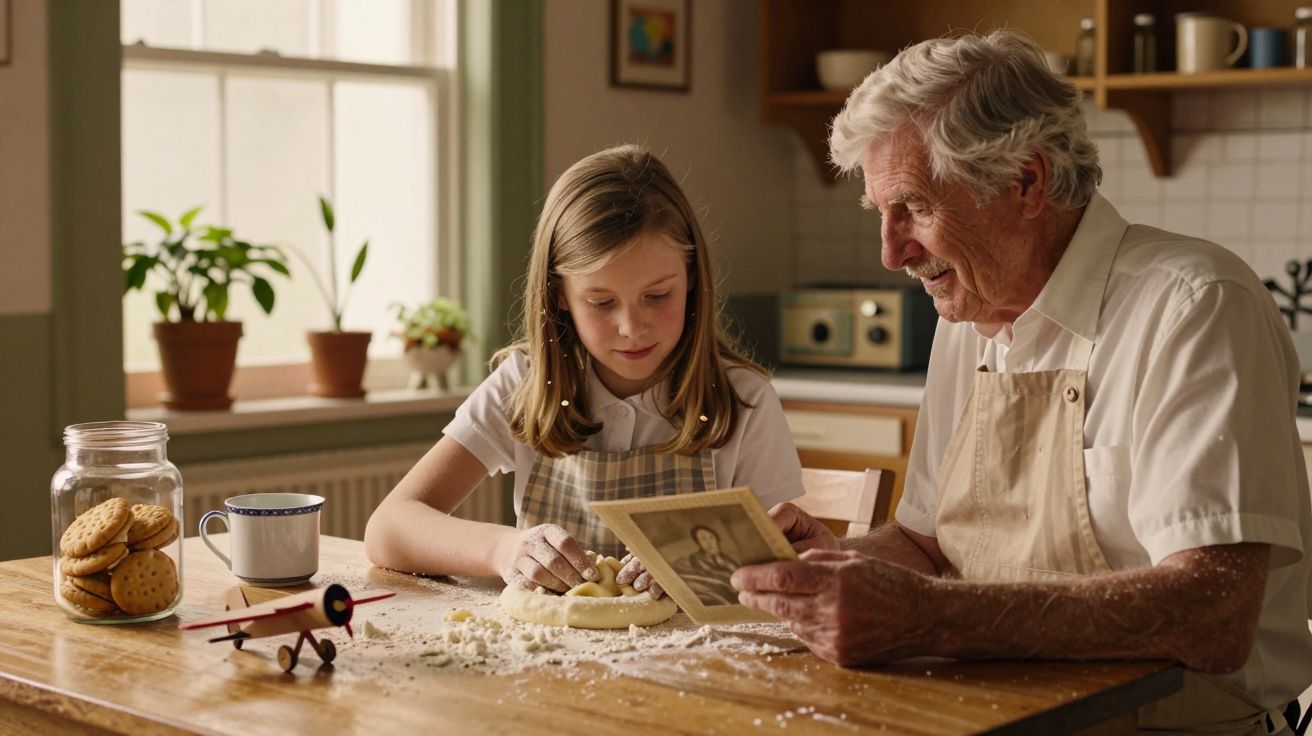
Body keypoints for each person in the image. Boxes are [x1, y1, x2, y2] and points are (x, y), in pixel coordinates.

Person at [731, 30, 1312, 735]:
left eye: (912, 207)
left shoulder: (1194, 307)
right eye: (879, 215)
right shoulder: (965, 318)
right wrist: (830, 571)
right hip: (997, 717)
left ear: (1026, 181)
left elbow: (1212, 613)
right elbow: (928, 544)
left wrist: (925, 616)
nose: (891, 253)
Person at [365, 144, 801, 600]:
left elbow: (784, 568)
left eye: (658, 296)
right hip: (546, 662)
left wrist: (699, 567)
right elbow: (389, 527)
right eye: (601, 303)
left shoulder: (741, 399)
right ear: (559, 296)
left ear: (691, 278)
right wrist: (504, 549)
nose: (632, 328)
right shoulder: (524, 386)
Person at [673, 525, 741, 605]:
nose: (710, 542)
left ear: (716, 538)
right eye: (703, 539)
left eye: (711, 537)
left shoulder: (726, 559)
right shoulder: (693, 561)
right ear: (698, 543)